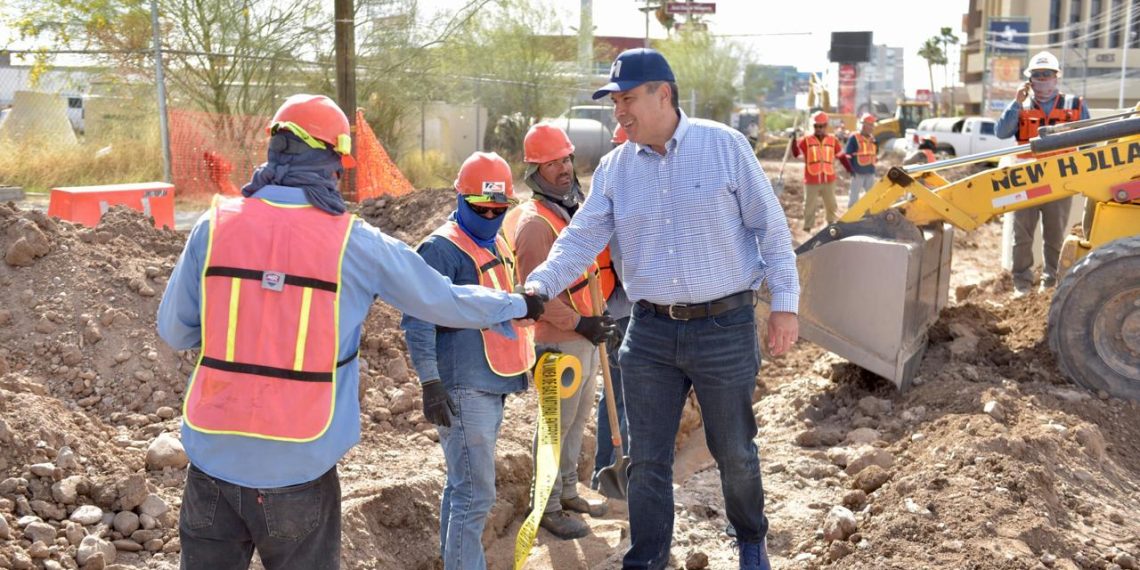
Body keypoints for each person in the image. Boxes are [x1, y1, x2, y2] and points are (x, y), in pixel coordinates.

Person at [156, 94, 545, 570]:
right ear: (329, 163)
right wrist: (518, 302)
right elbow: (444, 300)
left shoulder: (212, 226)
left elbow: (174, 332)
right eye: (339, 165)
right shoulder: (353, 242)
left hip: (211, 464)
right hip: (298, 467)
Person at [524, 48, 799, 570]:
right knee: (646, 459)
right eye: (614, 102)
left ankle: (750, 540)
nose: (618, 112)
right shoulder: (614, 169)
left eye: (626, 99)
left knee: (735, 452)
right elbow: (580, 238)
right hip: (648, 331)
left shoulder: (725, 148)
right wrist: (539, 286)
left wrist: (785, 305)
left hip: (725, 325)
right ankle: (647, 557)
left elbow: (772, 230)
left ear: (663, 94)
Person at [401, 151, 537, 570]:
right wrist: (429, 382)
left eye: (500, 208)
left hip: (492, 383)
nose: (492, 215)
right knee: (475, 495)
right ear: (461, 199)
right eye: (483, 208)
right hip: (463, 388)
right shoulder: (441, 250)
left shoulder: (495, 239)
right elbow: (417, 320)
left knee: (464, 490)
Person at [502, 122, 614, 540]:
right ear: (535, 171)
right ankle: (546, 506)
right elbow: (536, 292)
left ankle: (567, 491)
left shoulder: (566, 212)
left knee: (575, 422)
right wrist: (579, 322)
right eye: (553, 163)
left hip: (582, 339)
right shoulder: (535, 224)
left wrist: (591, 324)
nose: (564, 168)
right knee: (553, 427)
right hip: (557, 340)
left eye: (566, 158)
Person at [994, 50, 1089, 296]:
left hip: (1059, 180)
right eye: (1037, 75)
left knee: (1055, 235)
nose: (1042, 80)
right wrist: (1016, 103)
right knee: (1022, 235)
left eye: (1047, 75)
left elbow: (1089, 142)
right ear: (1030, 80)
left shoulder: (1074, 105)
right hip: (1026, 179)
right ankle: (1022, 285)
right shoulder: (1020, 105)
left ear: (1056, 77)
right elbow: (1002, 132)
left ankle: (1050, 284)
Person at [792, 110, 842, 232]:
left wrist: (850, 168)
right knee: (809, 205)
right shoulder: (806, 140)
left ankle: (831, 224)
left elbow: (840, 155)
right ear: (813, 126)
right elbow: (796, 154)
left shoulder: (833, 140)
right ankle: (807, 228)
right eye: (816, 126)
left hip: (828, 178)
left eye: (821, 126)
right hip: (811, 179)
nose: (819, 128)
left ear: (826, 126)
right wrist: (793, 140)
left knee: (831, 204)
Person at [843, 113, 878, 208]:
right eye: (870, 125)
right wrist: (850, 170)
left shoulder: (872, 139)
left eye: (872, 125)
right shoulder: (854, 138)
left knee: (871, 197)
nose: (871, 127)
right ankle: (850, 218)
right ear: (863, 125)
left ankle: (870, 214)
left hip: (870, 171)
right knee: (854, 197)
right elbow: (848, 155)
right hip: (857, 172)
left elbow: (874, 153)